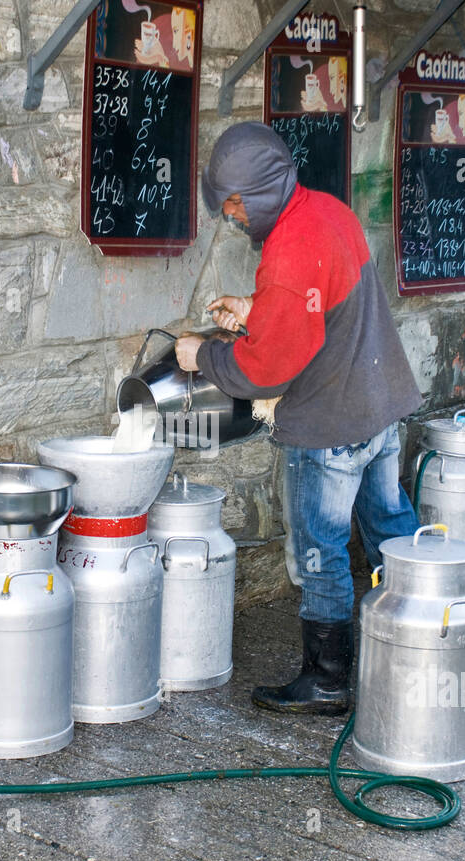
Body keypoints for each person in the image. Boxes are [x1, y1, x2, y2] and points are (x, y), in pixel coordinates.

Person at [174, 122, 423, 715]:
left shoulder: (286, 252)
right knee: (389, 526)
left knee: (322, 549)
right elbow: (321, 304)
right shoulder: (328, 212)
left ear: (259, 191)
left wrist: (201, 355)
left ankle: (329, 678)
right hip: (378, 411)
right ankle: (425, 642)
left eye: (234, 202)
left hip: (330, 427)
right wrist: (257, 307)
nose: (231, 216)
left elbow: (268, 370)